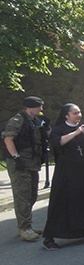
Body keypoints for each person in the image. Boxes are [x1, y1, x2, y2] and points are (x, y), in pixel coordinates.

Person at [42, 103, 84, 250]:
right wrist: (76, 133)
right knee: (61, 204)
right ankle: (50, 237)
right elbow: (57, 143)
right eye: (75, 113)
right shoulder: (59, 130)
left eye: (79, 112)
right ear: (66, 115)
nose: (78, 116)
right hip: (67, 174)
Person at [3, 96, 48, 242]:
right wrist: (16, 157)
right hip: (20, 163)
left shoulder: (34, 121)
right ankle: (24, 228)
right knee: (22, 195)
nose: (41, 109)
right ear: (31, 107)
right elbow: (8, 139)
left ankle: (27, 225)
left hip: (32, 163)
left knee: (32, 195)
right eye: (39, 106)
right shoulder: (18, 120)